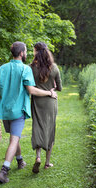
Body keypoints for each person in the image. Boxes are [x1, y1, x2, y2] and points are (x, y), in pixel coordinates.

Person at [0, 41, 57, 184]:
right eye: (26, 51)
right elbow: (31, 90)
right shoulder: (25, 69)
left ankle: (20, 161)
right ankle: (4, 171)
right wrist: (48, 93)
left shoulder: (2, 68)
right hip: (18, 110)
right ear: (21, 53)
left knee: (14, 137)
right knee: (14, 139)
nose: (27, 54)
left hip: (5, 110)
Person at [30, 42, 62, 174]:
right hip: (50, 102)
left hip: (37, 101)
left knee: (38, 127)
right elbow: (59, 87)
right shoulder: (54, 67)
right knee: (50, 129)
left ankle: (38, 157)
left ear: (36, 52)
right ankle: (47, 163)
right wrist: (52, 88)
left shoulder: (31, 68)